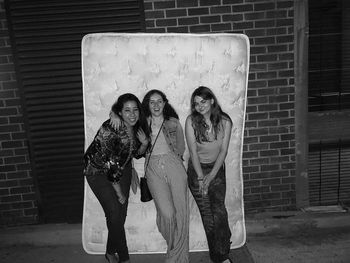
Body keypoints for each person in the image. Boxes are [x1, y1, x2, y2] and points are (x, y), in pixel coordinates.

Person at [110, 89, 189, 263]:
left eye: (159, 101)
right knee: (167, 214)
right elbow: (136, 151)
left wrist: (173, 161)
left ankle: (178, 257)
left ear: (164, 103)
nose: (156, 105)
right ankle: (175, 247)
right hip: (152, 169)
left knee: (181, 213)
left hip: (174, 166)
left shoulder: (174, 123)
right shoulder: (141, 123)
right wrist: (114, 114)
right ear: (147, 105)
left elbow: (181, 148)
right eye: (152, 102)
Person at [83, 93, 149, 263]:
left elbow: (135, 154)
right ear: (119, 112)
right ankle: (124, 258)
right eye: (127, 110)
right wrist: (119, 192)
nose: (132, 114)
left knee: (120, 215)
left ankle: (110, 252)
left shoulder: (136, 127)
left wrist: (144, 144)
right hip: (97, 172)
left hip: (123, 169)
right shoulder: (110, 128)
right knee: (114, 212)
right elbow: (110, 164)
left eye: (135, 110)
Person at [185, 86, 233, 263]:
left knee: (219, 212)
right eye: (196, 103)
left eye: (203, 101)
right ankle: (220, 257)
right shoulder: (191, 121)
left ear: (212, 100)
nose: (200, 106)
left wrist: (211, 176)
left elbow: (223, 151)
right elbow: (193, 152)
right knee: (208, 217)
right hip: (196, 170)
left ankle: (223, 239)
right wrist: (200, 178)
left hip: (216, 169)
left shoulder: (225, 121)